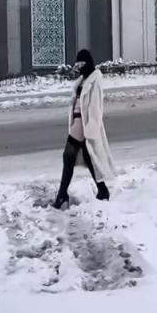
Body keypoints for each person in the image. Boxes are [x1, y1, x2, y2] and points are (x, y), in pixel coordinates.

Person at [53, 49, 117, 209]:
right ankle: (102, 190)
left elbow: (96, 107)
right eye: (77, 63)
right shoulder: (83, 79)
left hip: (84, 124)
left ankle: (62, 195)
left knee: (68, 156)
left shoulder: (94, 80)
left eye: (81, 63)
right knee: (88, 158)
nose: (78, 66)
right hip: (76, 122)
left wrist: (91, 129)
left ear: (87, 63)